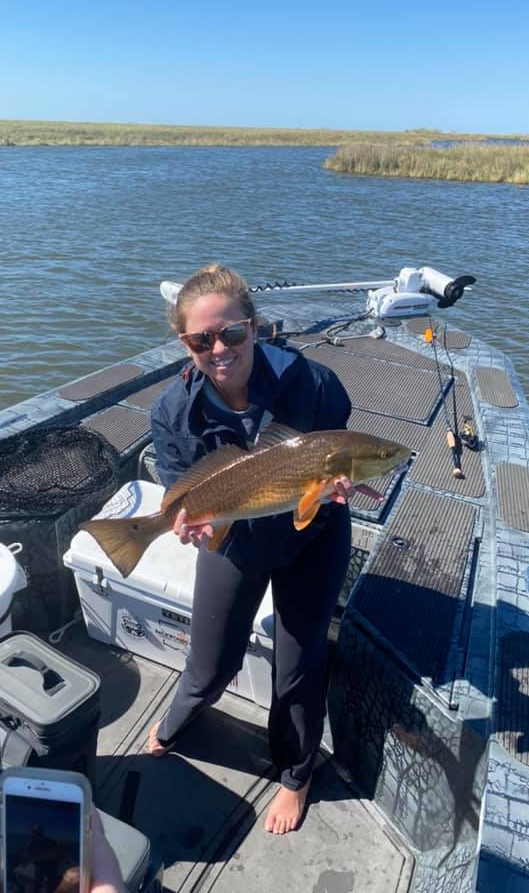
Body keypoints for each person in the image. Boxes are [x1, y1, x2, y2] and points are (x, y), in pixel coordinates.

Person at [148, 264, 354, 835]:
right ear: (184, 343)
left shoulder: (312, 383)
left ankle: (296, 776)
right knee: (210, 664)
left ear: (255, 328)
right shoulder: (171, 413)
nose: (220, 349)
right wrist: (193, 527)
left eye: (232, 334)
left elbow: (336, 452)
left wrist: (335, 487)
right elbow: (180, 493)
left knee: (297, 661)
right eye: (201, 339)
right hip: (234, 539)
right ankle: (177, 720)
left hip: (311, 538)